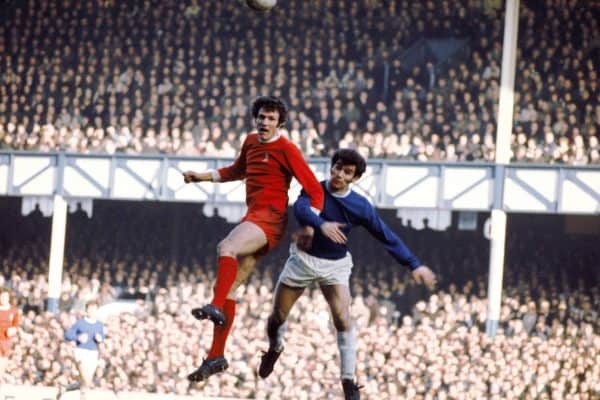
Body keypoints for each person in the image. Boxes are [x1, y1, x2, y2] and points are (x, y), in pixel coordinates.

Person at [258, 149, 437, 400]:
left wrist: (414, 264)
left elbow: (386, 236)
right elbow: (300, 209)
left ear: (355, 178)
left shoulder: (360, 206)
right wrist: (322, 225)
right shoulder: (315, 188)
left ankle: (349, 380)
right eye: (337, 167)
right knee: (276, 317)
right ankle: (275, 349)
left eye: (347, 172)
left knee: (343, 318)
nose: (339, 174)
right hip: (303, 260)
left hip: (335, 265)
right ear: (331, 166)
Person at [182, 96, 331, 382]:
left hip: (271, 218)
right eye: (261, 117)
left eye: (271, 119)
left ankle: (214, 306)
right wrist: (199, 177)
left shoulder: (287, 149)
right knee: (229, 290)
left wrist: (312, 225)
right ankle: (216, 356)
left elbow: (315, 188)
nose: (264, 122)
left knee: (226, 246)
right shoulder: (251, 142)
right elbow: (236, 171)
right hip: (254, 216)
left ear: (280, 123)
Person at [60, 300, 105, 400]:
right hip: (81, 352)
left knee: (86, 381)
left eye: (94, 309)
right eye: (90, 309)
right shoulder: (80, 323)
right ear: (86, 310)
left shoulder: (99, 325)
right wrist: (78, 338)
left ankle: (66, 388)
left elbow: (102, 339)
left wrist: (100, 339)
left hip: (93, 353)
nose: (92, 311)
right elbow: (67, 335)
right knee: (85, 378)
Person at [0, 288, 20, 385]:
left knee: (4, 359)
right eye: (2, 296)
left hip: (7, 339)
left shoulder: (13, 310)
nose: (3, 298)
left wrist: (13, 330)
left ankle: (1, 377)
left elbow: (16, 324)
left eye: (5, 297)